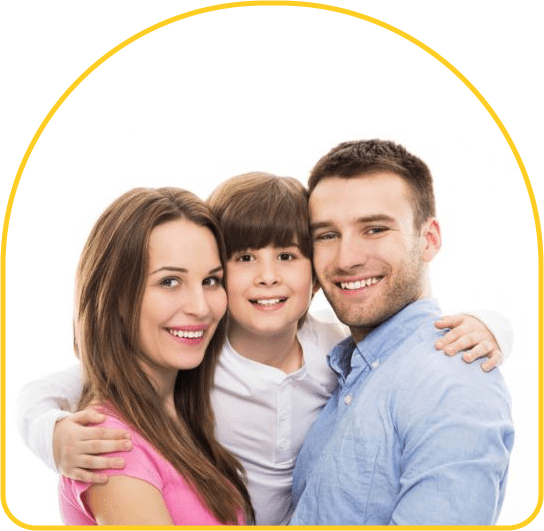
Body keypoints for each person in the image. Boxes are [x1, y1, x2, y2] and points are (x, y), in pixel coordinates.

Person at [17, 174, 512, 525]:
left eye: (288, 256)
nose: (268, 275)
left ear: (316, 276)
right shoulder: (199, 349)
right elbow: (75, 380)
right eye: (244, 258)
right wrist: (50, 433)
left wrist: (493, 327)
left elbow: (400, 354)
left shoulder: (336, 351)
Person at [289, 140, 514, 525]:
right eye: (327, 235)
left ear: (428, 240)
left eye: (374, 229)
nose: (347, 259)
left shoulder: (452, 385)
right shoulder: (344, 365)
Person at [51, 187, 253, 525]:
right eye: (170, 281)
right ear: (114, 296)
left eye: (211, 281)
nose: (201, 308)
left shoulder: (178, 416)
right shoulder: (111, 448)